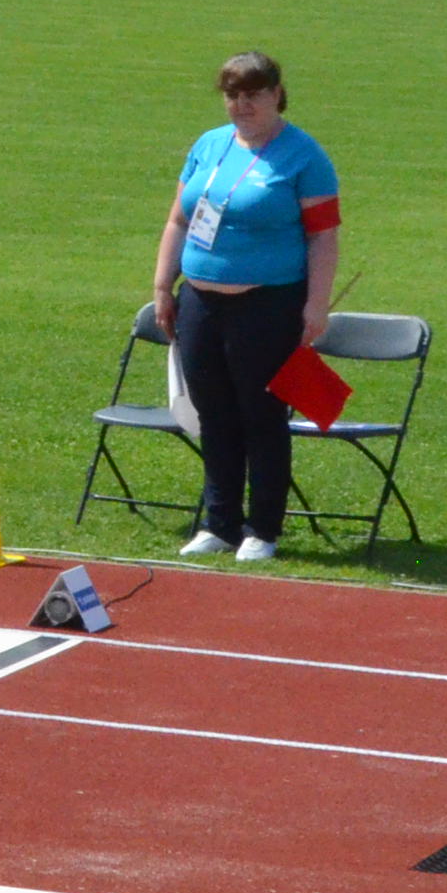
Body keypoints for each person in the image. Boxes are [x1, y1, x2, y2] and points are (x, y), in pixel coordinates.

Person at [153, 51, 341, 565]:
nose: (242, 105)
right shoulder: (209, 146)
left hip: (268, 304)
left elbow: (323, 236)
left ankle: (263, 527)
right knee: (213, 414)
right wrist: (163, 286)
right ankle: (220, 523)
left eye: (253, 95)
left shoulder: (304, 156)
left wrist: (316, 305)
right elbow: (179, 219)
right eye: (233, 95)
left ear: (277, 94)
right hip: (200, 301)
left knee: (260, 416)